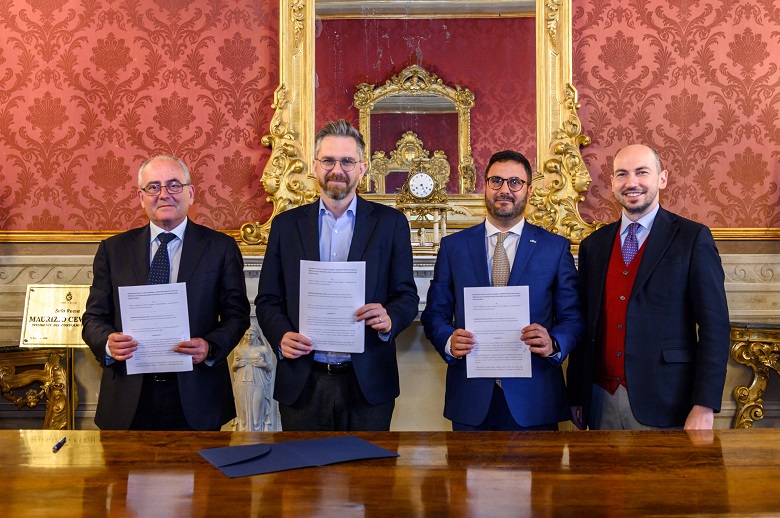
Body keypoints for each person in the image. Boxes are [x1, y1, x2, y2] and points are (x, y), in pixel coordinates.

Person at [255, 119, 419, 431]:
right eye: (328, 160)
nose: (337, 169)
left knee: (368, 475)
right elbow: (268, 300)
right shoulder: (286, 226)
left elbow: (407, 296)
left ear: (363, 167)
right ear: (314, 166)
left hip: (368, 382)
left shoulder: (391, 223)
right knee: (302, 475)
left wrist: (390, 319)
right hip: (303, 380)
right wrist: (280, 336)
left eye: (347, 161)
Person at [567, 144, 730, 430]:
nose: (631, 183)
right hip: (600, 398)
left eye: (642, 172)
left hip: (668, 402)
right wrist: (577, 394)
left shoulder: (693, 239)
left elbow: (714, 327)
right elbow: (585, 325)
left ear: (662, 178)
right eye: (622, 175)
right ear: (613, 184)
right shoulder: (594, 245)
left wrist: (704, 404)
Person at [82, 155, 250, 430]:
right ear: (141, 196)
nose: (164, 195)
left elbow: (238, 315)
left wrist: (210, 346)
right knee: (123, 474)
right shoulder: (113, 251)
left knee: (199, 474)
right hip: (129, 396)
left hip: (196, 395)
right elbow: (93, 319)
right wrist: (108, 343)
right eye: (153, 187)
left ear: (190, 193)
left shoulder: (221, 248)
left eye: (174, 185)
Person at [420, 150, 584, 431]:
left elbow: (574, 318)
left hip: (535, 401)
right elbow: (434, 313)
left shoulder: (554, 248)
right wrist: (449, 340)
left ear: (528, 190)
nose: (504, 189)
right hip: (471, 399)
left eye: (514, 182)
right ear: (484, 186)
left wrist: (553, 343)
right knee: (467, 475)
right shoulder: (454, 247)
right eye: (496, 181)